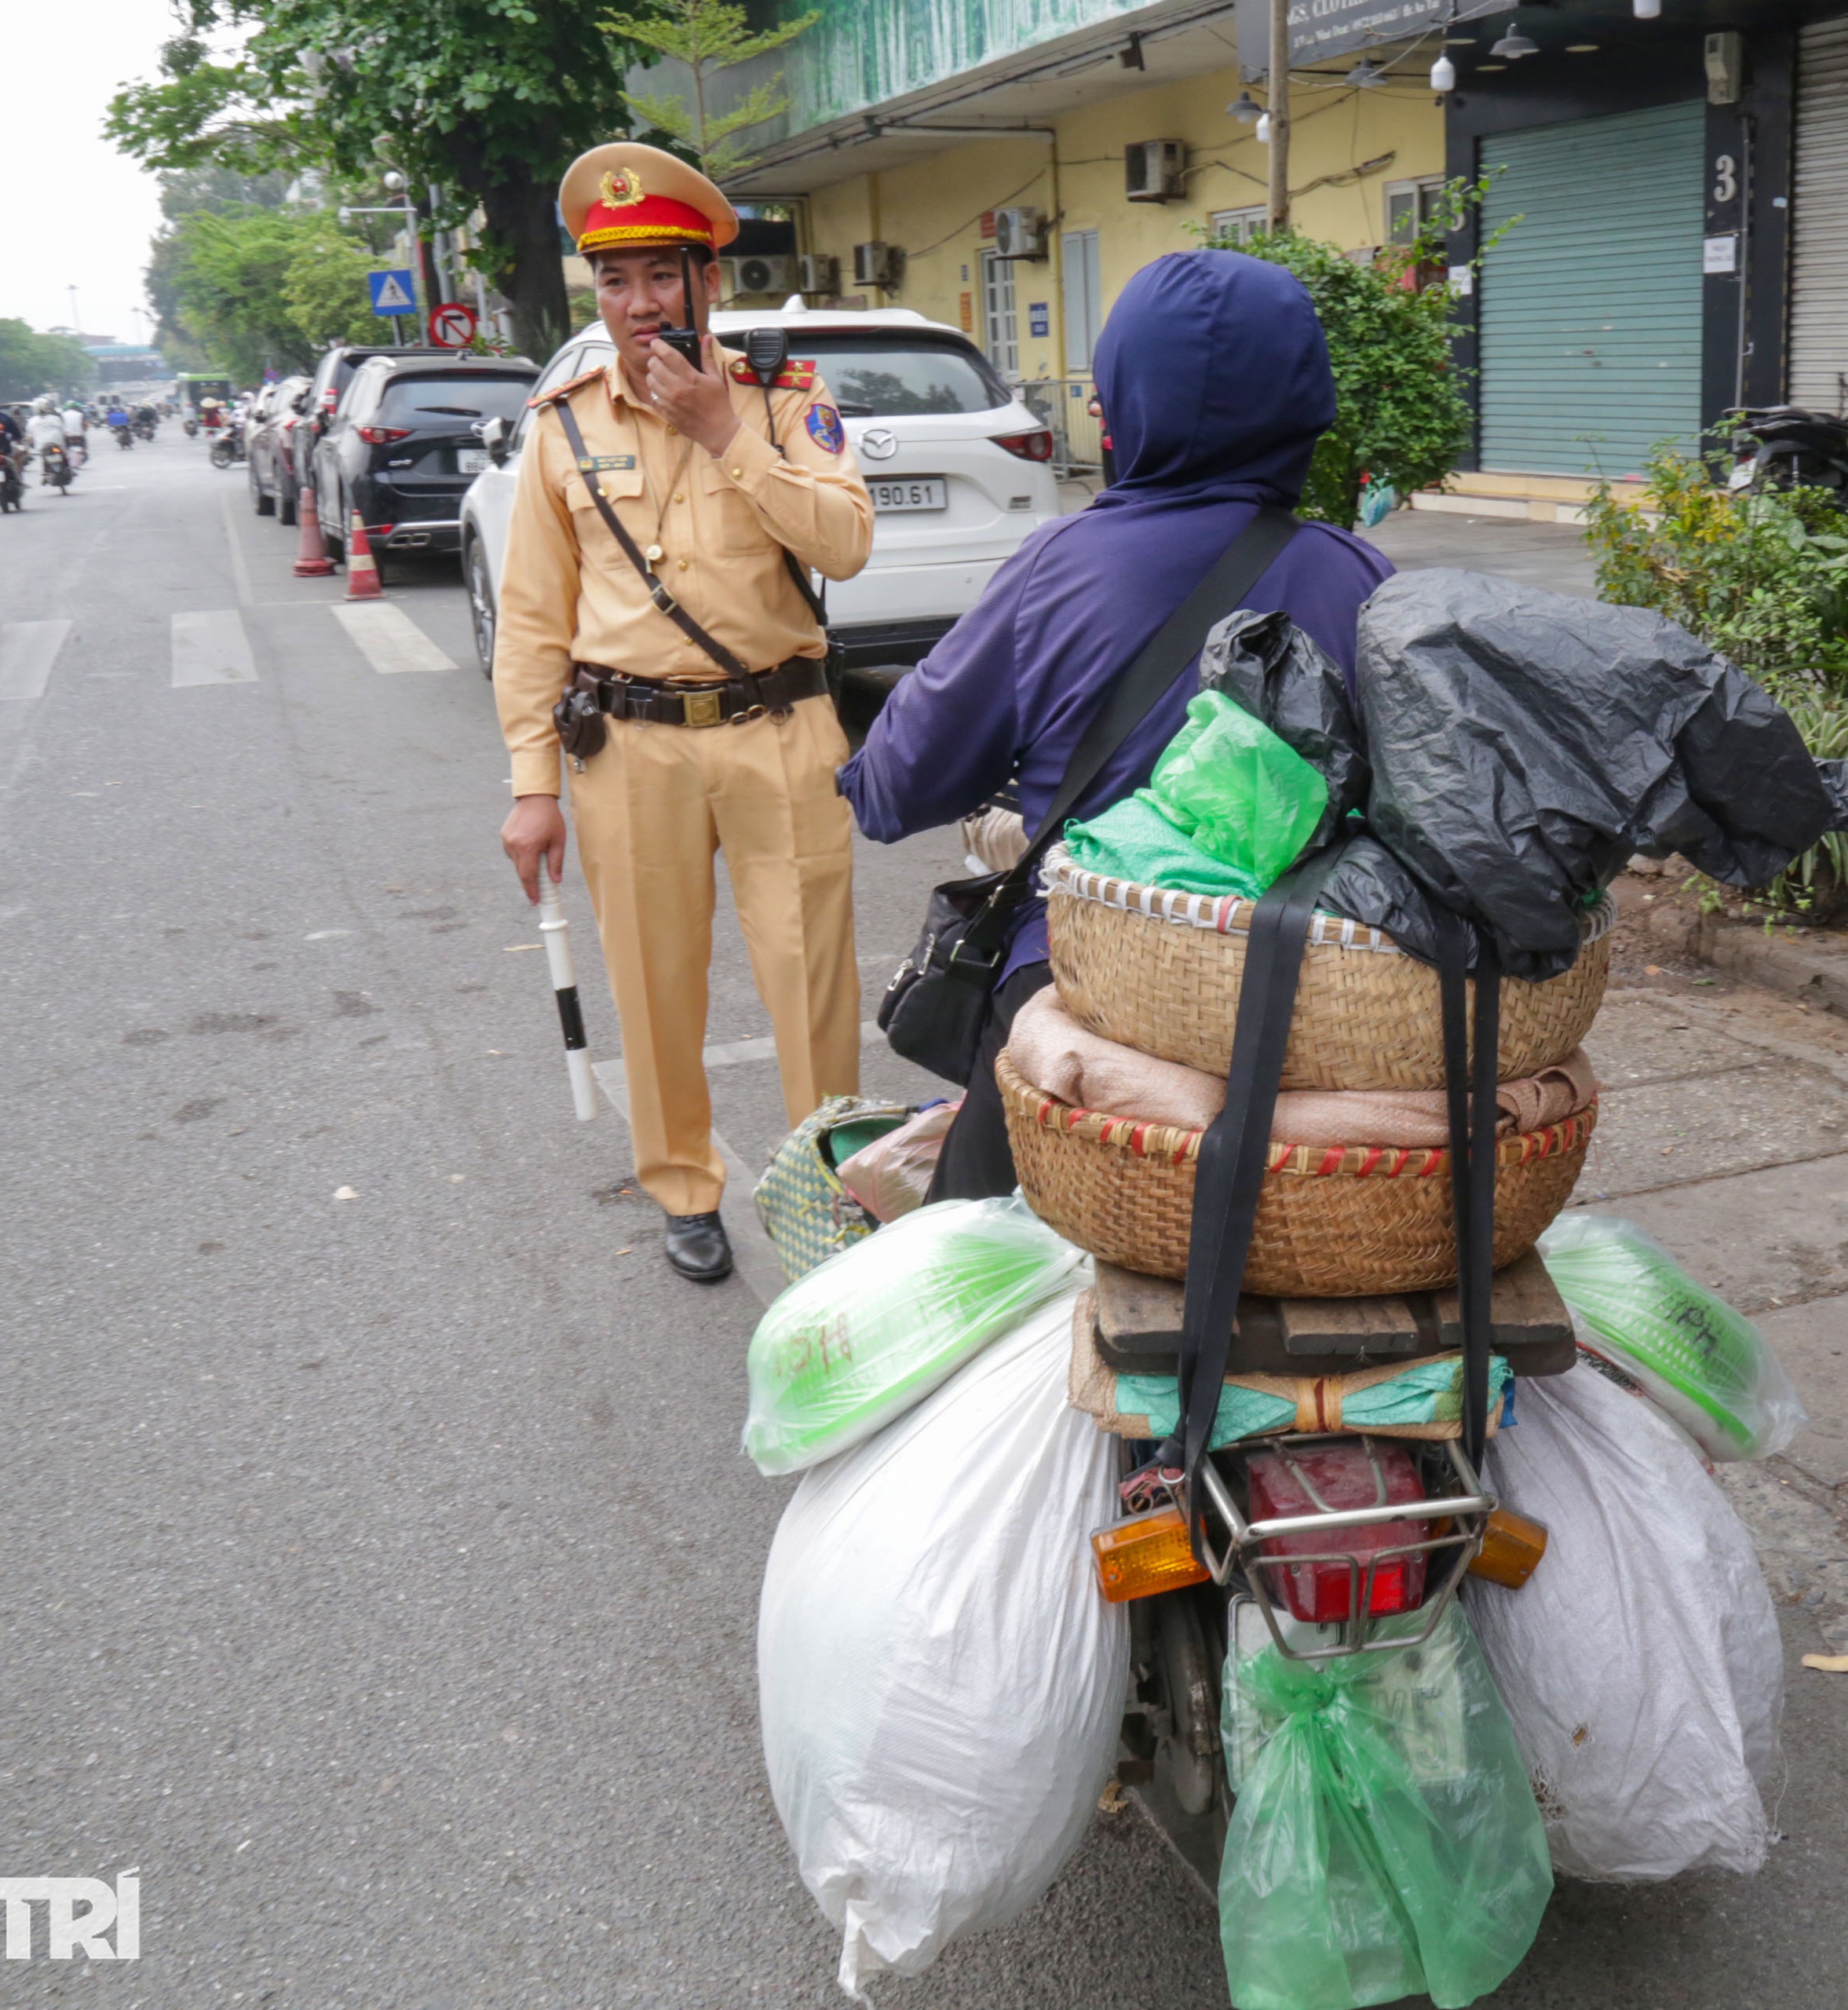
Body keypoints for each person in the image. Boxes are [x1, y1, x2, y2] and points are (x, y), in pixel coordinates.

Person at [838, 249, 1393, 1202]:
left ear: (1132, 407)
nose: (1096, 411)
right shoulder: (1364, 579)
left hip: (1084, 1012)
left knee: (965, 1286)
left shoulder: (1062, 565)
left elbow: (891, 790)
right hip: (1319, 1024)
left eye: (1106, 391)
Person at [492, 140, 874, 1284]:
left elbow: (846, 546)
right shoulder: (561, 425)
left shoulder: (785, 397)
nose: (639, 304)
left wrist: (726, 433)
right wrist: (530, 785)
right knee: (653, 985)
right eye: (615, 281)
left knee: (812, 983)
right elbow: (532, 619)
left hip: (779, 732)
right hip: (632, 749)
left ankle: (825, 1192)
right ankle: (682, 1186)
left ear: (708, 278)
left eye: (661, 274)